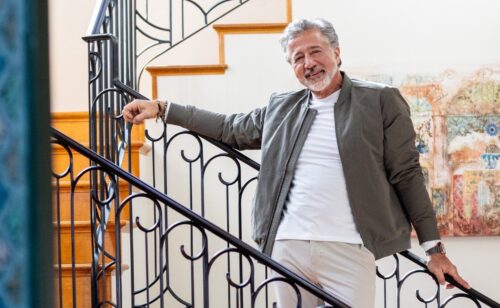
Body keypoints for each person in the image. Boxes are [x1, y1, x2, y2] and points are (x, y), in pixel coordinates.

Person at [122, 18, 469, 307]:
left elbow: (406, 173)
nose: (308, 63)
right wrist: (163, 108)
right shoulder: (281, 106)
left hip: (349, 248)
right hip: (288, 247)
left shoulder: (380, 100)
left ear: (336, 52)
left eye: (315, 51)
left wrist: (434, 250)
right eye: (297, 58)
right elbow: (229, 128)